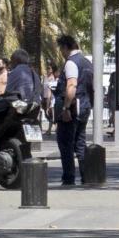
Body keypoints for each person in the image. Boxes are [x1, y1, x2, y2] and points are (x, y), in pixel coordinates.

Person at [52, 34, 93, 186]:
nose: (61, 52)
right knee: (80, 144)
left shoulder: (71, 63)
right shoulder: (87, 63)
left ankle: (68, 178)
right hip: (84, 107)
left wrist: (66, 108)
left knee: (65, 144)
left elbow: (71, 86)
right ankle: (85, 176)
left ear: (65, 47)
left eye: (61, 49)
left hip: (73, 109)